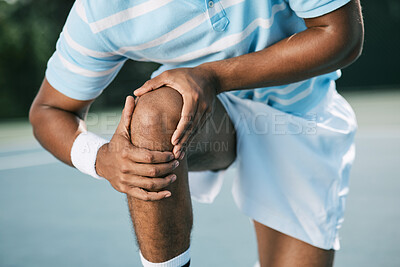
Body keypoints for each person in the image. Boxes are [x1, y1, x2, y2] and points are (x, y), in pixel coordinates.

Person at [29, 0, 364, 266]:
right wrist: (101, 160)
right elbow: (49, 110)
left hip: (300, 111)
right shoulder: (99, 10)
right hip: (209, 113)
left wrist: (212, 76)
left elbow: (340, 35)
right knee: (150, 118)